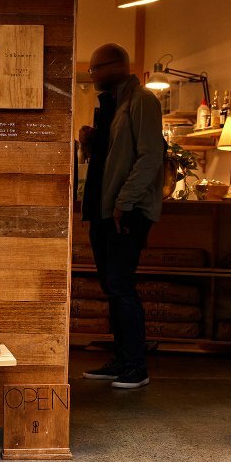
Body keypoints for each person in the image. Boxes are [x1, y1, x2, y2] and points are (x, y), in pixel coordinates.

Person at [78, 43, 165, 389]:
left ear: (117, 65)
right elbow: (114, 156)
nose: (93, 75)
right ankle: (121, 359)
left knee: (121, 285)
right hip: (105, 209)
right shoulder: (114, 103)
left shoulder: (142, 100)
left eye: (96, 69)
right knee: (112, 287)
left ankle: (136, 366)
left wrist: (123, 203)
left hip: (124, 212)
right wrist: (91, 142)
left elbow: (150, 156)